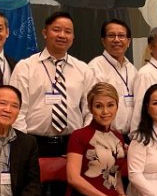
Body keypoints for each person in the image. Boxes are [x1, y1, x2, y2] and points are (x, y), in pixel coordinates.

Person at [10, 11, 94, 157]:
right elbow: (17, 110)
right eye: (56, 30)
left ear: (73, 37)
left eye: (68, 31)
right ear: (45, 33)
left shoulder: (83, 69)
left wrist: (85, 141)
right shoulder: (26, 67)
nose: (62, 35)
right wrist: (24, 145)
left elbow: (90, 110)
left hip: (73, 144)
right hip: (34, 143)